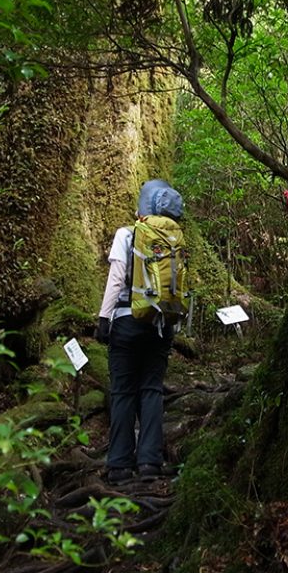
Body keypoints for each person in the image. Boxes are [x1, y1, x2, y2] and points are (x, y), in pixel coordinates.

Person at [95, 179, 183, 485]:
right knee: (151, 389)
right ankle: (149, 462)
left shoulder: (127, 234)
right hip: (161, 327)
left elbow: (117, 277)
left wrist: (104, 318)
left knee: (122, 391)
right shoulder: (173, 237)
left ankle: (119, 464)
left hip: (126, 322)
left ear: (141, 207)